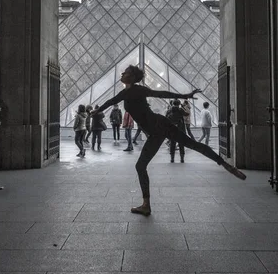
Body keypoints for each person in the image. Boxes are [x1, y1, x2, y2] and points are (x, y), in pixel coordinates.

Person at [97, 65, 246, 216]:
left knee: (149, 162)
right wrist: (96, 110)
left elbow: (160, 93)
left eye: (126, 72)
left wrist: (184, 96)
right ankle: (146, 204)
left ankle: (226, 165)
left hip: (158, 126)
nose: (122, 73)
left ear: (133, 77)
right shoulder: (125, 93)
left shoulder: (138, 90)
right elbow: (110, 101)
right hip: (156, 130)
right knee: (147, 163)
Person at [167, 99, 186, 163]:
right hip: (180, 129)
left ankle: (172, 159)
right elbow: (187, 113)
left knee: (172, 144)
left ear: (173, 103)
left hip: (172, 129)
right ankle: (182, 159)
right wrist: (182, 106)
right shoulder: (180, 110)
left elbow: (166, 118)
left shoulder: (169, 110)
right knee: (181, 144)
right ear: (179, 104)